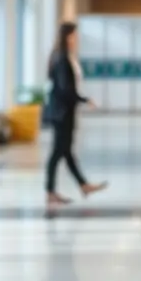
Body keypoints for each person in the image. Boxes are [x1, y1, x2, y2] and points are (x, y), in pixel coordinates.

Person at [45, 22, 108, 206]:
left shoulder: (60, 56)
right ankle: (51, 191)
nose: (77, 39)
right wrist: (84, 99)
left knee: (65, 151)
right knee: (58, 152)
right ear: (68, 36)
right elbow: (66, 89)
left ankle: (83, 184)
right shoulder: (62, 58)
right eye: (75, 35)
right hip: (63, 113)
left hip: (63, 111)